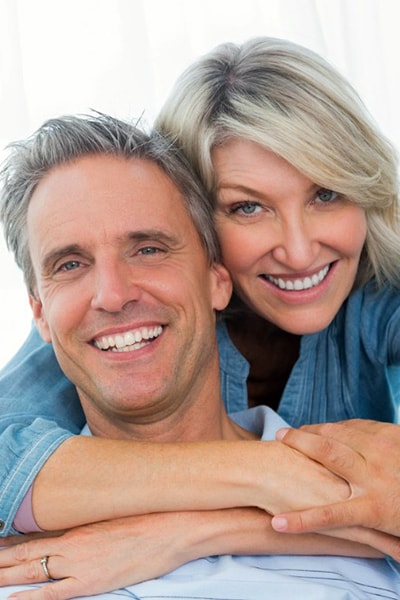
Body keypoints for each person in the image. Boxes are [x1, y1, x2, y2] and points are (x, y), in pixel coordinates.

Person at [0, 35, 400, 581]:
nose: (300, 249)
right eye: (248, 207)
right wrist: (279, 479)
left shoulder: (383, 297)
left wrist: (183, 533)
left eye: (326, 193)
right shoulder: (117, 320)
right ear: (199, 227)